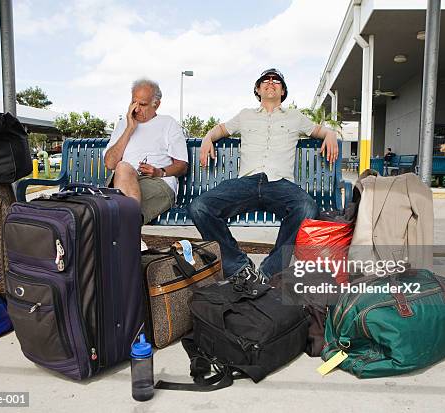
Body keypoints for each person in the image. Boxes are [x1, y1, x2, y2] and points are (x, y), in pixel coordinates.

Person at [187, 68, 339, 282]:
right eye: (265, 80)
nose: (270, 82)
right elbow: (220, 129)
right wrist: (206, 139)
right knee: (199, 207)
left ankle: (269, 271)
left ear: (283, 90)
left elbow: (320, 131)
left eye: (276, 80)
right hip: (246, 183)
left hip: (280, 184)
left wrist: (330, 134)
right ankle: (239, 266)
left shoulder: (295, 117)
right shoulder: (245, 115)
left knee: (307, 208)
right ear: (258, 89)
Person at [104, 79, 188, 234]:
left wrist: (160, 172)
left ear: (156, 104)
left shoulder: (168, 123)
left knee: (112, 212)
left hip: (158, 182)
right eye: (133, 102)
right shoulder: (123, 124)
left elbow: (182, 165)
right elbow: (110, 164)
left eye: (142, 104)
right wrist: (129, 129)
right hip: (123, 179)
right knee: (122, 167)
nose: (136, 109)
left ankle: (126, 237)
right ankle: (130, 237)